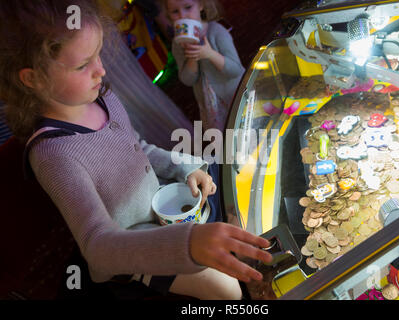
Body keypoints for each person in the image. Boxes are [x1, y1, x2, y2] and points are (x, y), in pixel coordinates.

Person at [0, 0, 271, 300]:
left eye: (99, 55)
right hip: (132, 247)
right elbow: (97, 245)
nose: (101, 70)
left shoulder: (103, 96)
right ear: (32, 78)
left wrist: (187, 167)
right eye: (82, 65)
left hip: (159, 207)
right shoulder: (53, 155)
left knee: (240, 213)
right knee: (226, 290)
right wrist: (187, 244)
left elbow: (139, 148)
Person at [162, 0, 245, 132]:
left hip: (234, 96)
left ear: (201, 5)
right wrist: (192, 56)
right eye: (175, 12)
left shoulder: (216, 31)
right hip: (212, 107)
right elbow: (187, 80)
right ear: (169, 15)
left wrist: (210, 54)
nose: (182, 15)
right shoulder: (178, 44)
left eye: (188, 7)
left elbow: (236, 70)